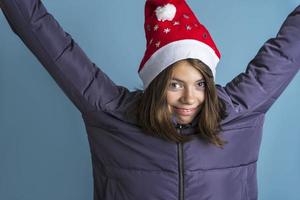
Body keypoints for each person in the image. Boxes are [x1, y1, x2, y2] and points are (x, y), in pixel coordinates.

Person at [0, 0, 299, 199]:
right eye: (174, 84)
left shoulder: (238, 112)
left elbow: (288, 48)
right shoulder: (112, 113)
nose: (189, 98)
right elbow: (50, 43)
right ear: (156, 84)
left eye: (199, 84)